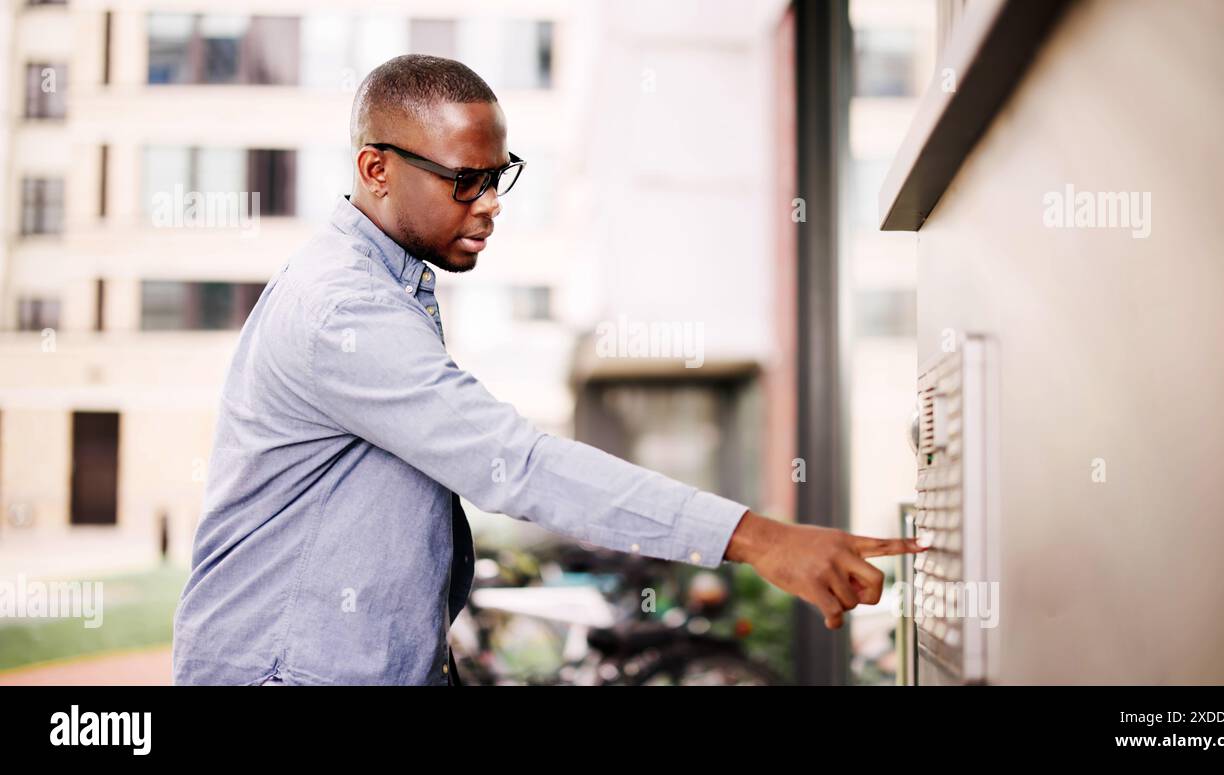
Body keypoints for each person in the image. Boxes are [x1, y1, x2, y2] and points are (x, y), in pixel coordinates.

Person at [172, 54, 925, 686]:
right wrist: (758, 538)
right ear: (376, 168)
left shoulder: (385, 285)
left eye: (500, 176)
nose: (492, 203)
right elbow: (517, 465)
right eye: (465, 179)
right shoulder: (344, 310)